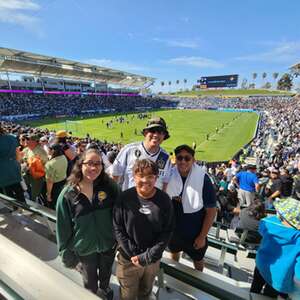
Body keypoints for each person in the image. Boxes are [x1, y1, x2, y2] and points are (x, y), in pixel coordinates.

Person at [56, 148, 120, 300]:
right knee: (90, 283)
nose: (93, 168)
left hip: (107, 245)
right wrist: (66, 254)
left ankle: (105, 290)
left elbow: (121, 215)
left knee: (105, 276)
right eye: (89, 163)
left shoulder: (110, 187)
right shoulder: (68, 194)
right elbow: (62, 228)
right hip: (84, 250)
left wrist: (119, 239)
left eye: (98, 164)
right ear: (80, 164)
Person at [113, 159, 174, 300]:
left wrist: (147, 257)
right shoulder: (124, 198)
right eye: (141, 175)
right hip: (128, 259)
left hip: (151, 261)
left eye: (150, 176)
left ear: (156, 178)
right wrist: (135, 255)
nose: (145, 180)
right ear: (133, 177)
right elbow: (118, 229)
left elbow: (167, 231)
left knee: (145, 294)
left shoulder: (164, 200)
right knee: (127, 296)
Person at [166, 145, 216, 271]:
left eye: (187, 158)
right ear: (175, 159)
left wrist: (202, 236)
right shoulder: (169, 175)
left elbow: (211, 211)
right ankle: (174, 276)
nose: (183, 161)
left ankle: (198, 286)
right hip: (174, 230)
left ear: (193, 160)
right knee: (174, 254)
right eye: (180, 158)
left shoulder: (203, 179)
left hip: (194, 232)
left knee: (198, 261)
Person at [250, 197, 300, 299]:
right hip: (280, 277)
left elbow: (261, 228)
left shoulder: (268, 222)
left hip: (261, 264)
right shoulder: (298, 237)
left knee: (254, 289)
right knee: (268, 296)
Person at [112, 117, 172, 191]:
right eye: (152, 131)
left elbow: (165, 183)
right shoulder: (129, 150)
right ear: (145, 133)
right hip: (130, 200)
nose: (156, 135)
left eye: (160, 132)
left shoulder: (165, 157)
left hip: (154, 202)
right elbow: (115, 176)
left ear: (164, 136)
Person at [0, 123, 25, 203]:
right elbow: (18, 156)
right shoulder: (12, 137)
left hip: (2, 172)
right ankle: (25, 211)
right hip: (14, 168)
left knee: (8, 195)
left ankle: (16, 211)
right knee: (19, 192)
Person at [44, 144, 68, 209]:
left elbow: (49, 181)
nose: (47, 150)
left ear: (53, 151)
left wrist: (48, 194)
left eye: (49, 149)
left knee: (53, 205)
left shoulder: (49, 164)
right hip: (63, 183)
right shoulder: (64, 157)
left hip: (54, 186)